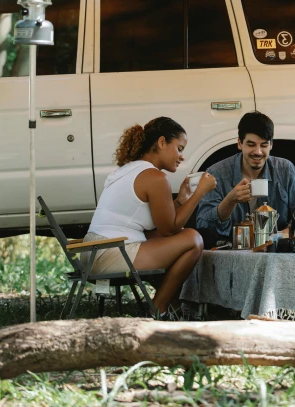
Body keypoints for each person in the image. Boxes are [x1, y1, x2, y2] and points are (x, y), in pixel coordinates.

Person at [82, 116, 216, 317]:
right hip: (109, 253)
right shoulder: (155, 177)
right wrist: (199, 194)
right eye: (179, 148)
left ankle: (173, 305)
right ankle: (158, 309)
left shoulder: (129, 169)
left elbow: (162, 225)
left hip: (91, 252)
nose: (182, 157)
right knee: (193, 240)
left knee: (176, 239)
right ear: (162, 142)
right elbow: (170, 228)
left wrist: (180, 200)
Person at [196, 111, 295, 239]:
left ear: (271, 145)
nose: (258, 152)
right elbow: (203, 226)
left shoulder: (285, 169)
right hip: (232, 251)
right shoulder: (217, 173)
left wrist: (285, 234)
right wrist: (229, 201)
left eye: (264, 145)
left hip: (277, 251)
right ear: (239, 143)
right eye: (251, 144)